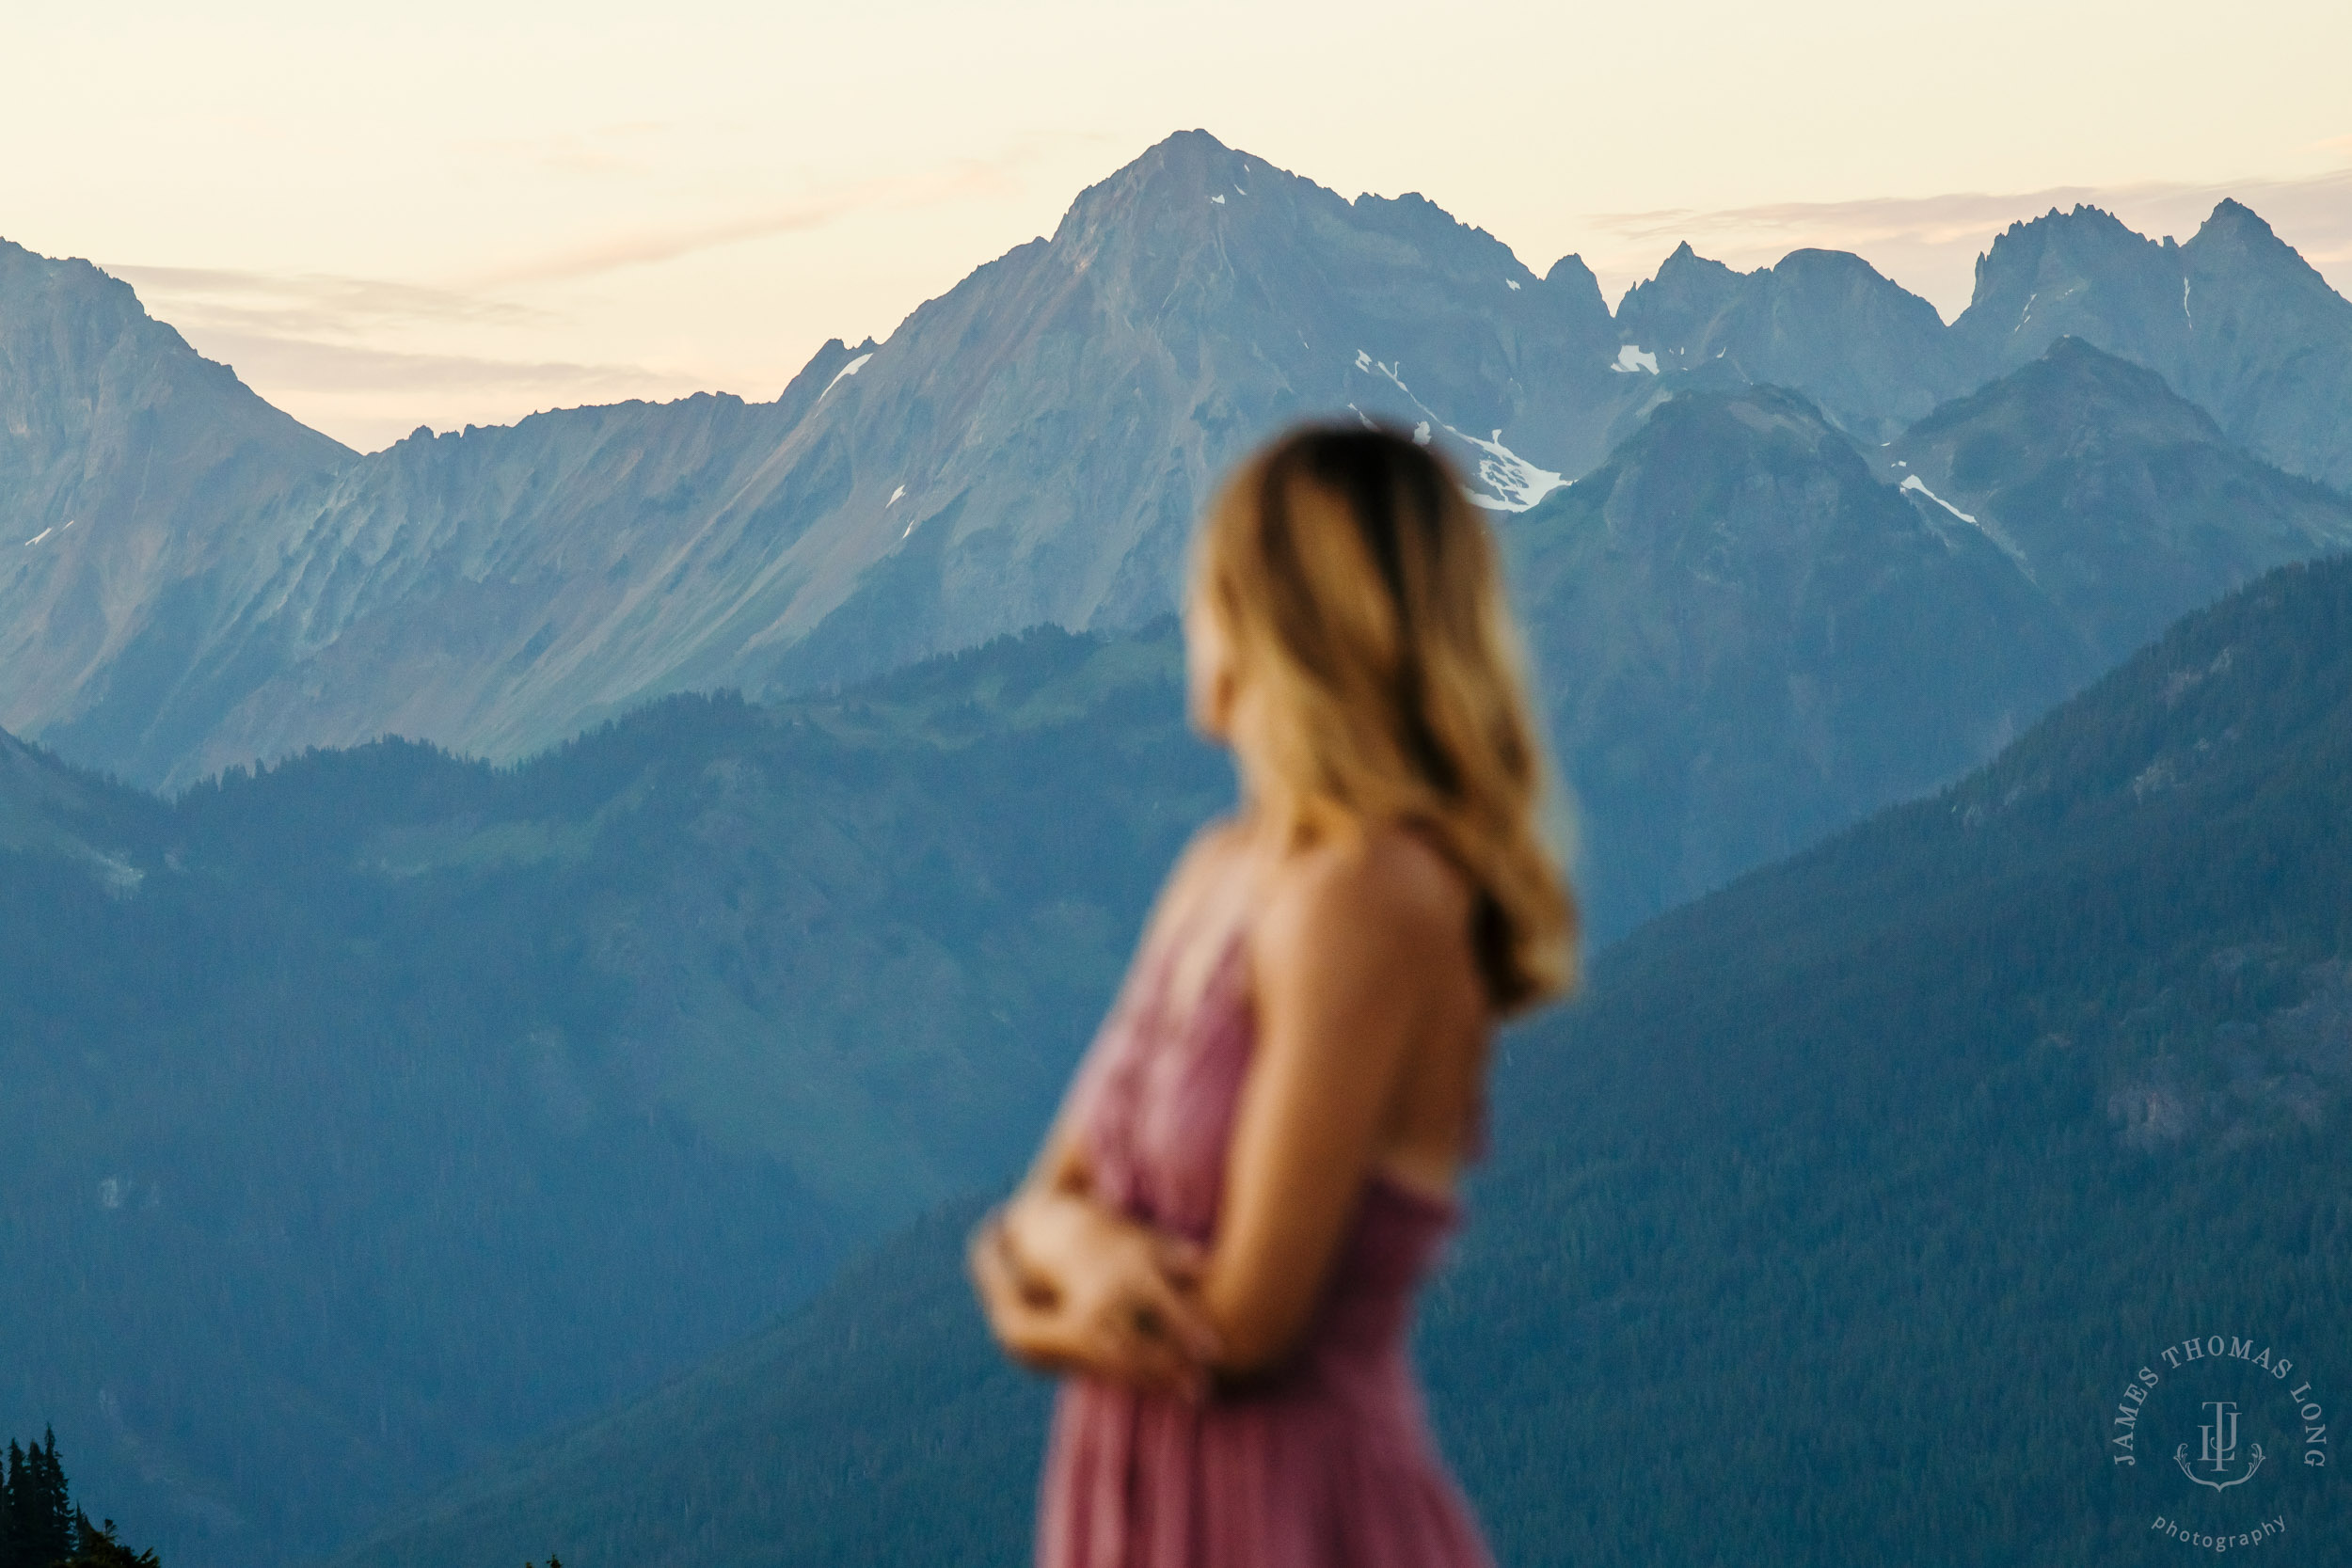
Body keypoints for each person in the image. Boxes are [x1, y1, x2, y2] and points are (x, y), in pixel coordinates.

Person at [968, 424, 1577, 1567]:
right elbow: (1039, 1204)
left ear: (1272, 615)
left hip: (1291, 1516)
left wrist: (1056, 1264)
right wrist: (1076, 1259)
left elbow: (1240, 1325)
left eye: (1205, 583)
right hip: (1139, 1509)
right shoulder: (1220, 869)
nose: (1187, 617)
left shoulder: (1370, 895)